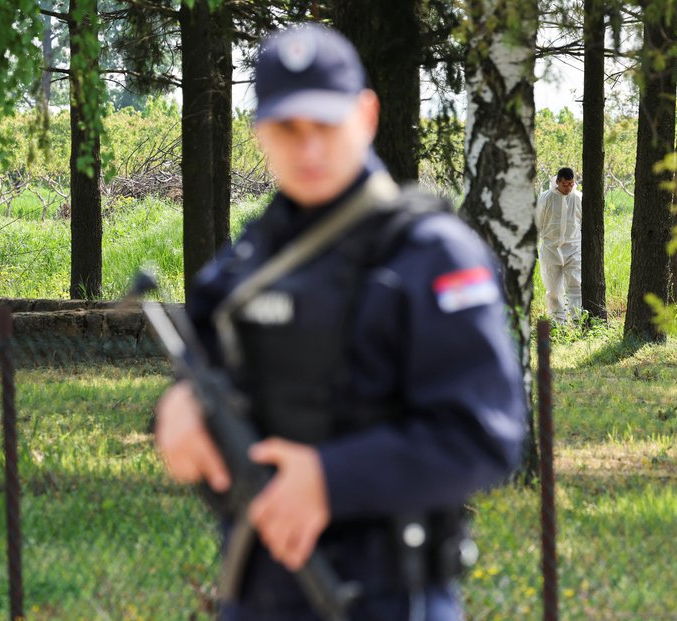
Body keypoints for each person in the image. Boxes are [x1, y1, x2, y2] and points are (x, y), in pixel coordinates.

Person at [154, 24, 527, 621]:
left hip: (388, 599)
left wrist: (330, 479)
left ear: (367, 114)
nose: (308, 150)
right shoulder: (246, 263)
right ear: (259, 134)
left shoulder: (431, 253)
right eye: (286, 129)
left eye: (325, 125)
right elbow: (197, 374)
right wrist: (172, 412)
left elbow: (485, 436)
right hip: (256, 594)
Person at [535, 167, 582, 324]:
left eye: (571, 184)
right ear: (557, 182)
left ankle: (577, 321)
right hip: (550, 249)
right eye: (565, 184)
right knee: (553, 289)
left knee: (576, 286)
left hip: (573, 248)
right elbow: (536, 223)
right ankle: (559, 322)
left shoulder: (578, 198)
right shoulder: (545, 198)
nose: (568, 187)